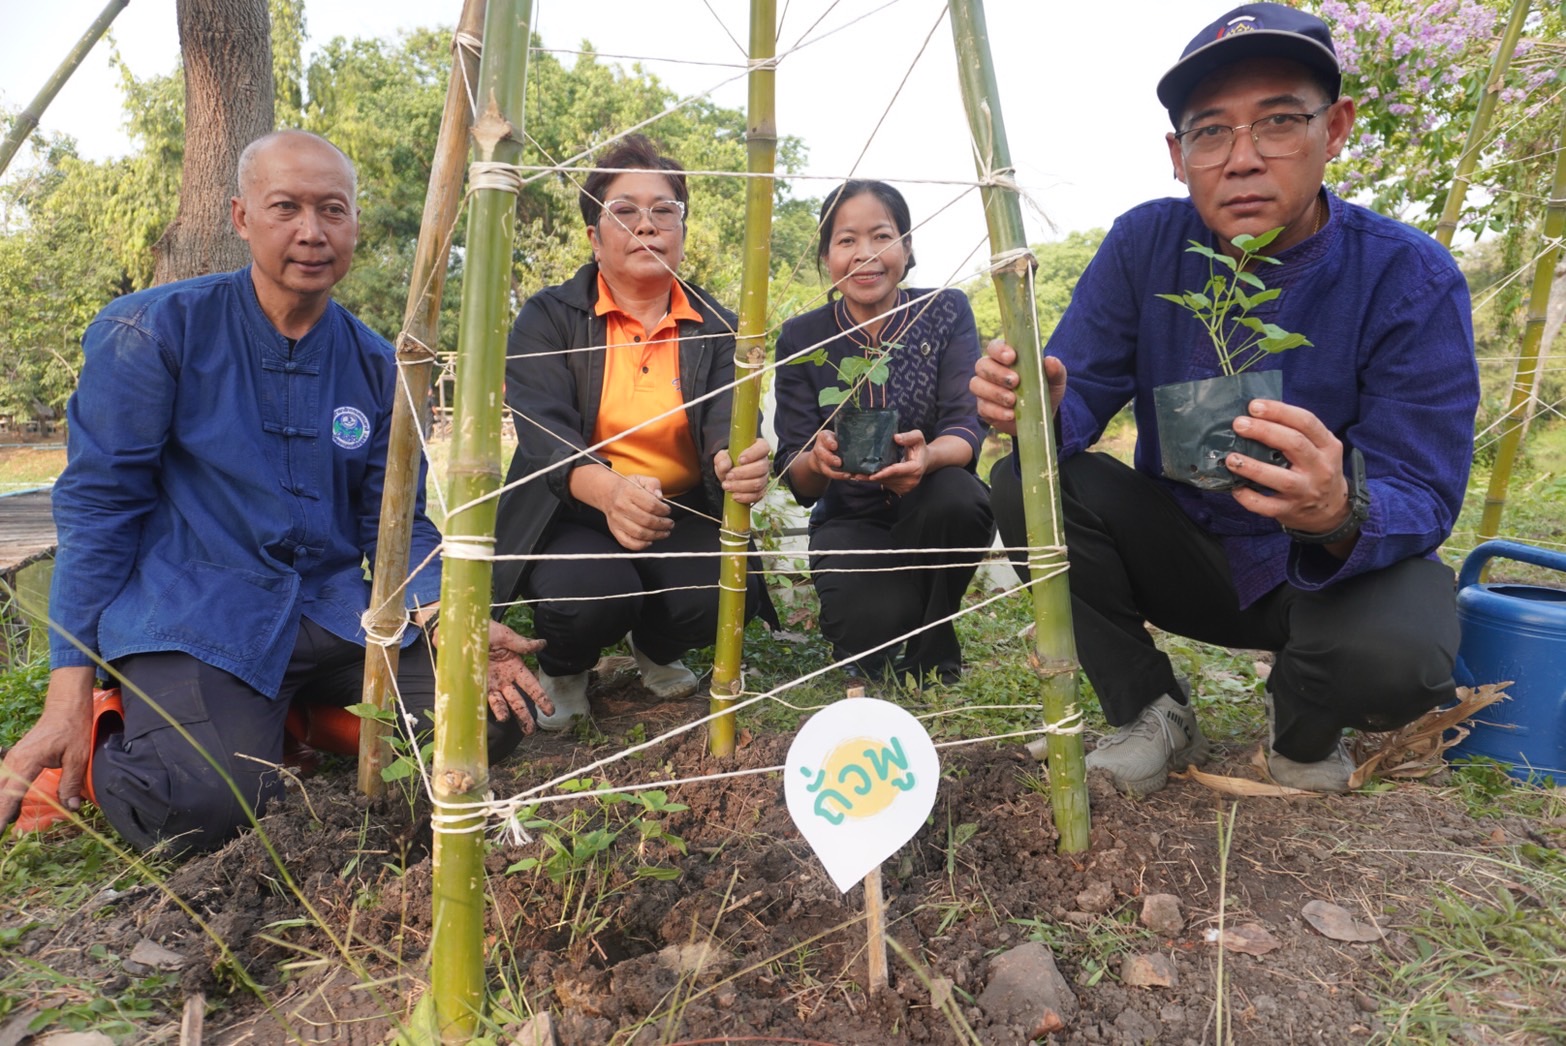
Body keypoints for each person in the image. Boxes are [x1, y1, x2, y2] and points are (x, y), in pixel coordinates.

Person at [972, 3, 1478, 794]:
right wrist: (1039, 406)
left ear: (1335, 130)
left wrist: (1340, 507)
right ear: (1178, 156)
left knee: (1402, 653)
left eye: (1278, 122)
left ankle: (1303, 723)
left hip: (1322, 569)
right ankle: (1149, 707)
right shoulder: (1147, 247)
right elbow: (1079, 388)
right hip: (1186, 553)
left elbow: (1423, 486)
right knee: (1025, 481)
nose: (1242, 159)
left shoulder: (1408, 277)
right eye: (1211, 132)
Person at [0, 130, 551, 854]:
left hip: (333, 613)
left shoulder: (380, 365)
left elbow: (395, 523)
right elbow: (100, 512)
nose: (311, 232)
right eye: (286, 207)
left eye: (333, 210)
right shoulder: (152, 332)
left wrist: (451, 619)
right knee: (200, 808)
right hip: (197, 614)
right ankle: (111, 724)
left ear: (355, 223)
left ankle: (299, 718)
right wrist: (66, 690)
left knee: (488, 717)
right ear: (241, 217)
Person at [492, 134, 772, 730]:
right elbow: (544, 430)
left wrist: (734, 462)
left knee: (720, 594)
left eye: (664, 210)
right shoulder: (548, 317)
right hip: (573, 509)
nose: (647, 225)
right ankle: (566, 667)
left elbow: (726, 424)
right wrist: (610, 492)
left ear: (681, 231)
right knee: (585, 592)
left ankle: (655, 646)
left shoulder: (720, 326)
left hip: (679, 509)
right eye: (624, 211)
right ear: (594, 238)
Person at [774, 181, 992, 684]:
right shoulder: (802, 337)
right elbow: (797, 473)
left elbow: (965, 425)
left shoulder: (944, 310)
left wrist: (927, 457)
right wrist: (818, 460)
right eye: (846, 240)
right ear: (826, 255)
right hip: (849, 516)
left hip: (932, 501)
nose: (865, 254)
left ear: (907, 247)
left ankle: (934, 640)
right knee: (864, 628)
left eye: (881, 236)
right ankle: (889, 617)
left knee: (959, 499)